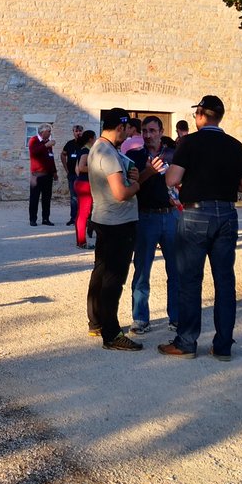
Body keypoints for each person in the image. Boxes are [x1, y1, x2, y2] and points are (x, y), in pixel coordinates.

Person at [159, 95, 242, 362]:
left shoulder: (189, 142)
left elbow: (172, 178)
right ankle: (223, 345)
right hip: (226, 213)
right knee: (225, 281)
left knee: (190, 280)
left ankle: (187, 342)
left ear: (201, 114)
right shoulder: (236, 145)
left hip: (196, 213)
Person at [86, 108, 144, 351]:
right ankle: (112, 334)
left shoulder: (98, 147)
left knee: (100, 272)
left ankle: (96, 321)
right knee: (114, 279)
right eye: (126, 130)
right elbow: (121, 193)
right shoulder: (108, 152)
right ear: (120, 127)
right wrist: (138, 183)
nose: (127, 135)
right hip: (118, 222)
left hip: (104, 217)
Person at [127, 116, 179, 334]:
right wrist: (148, 171)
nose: (148, 135)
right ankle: (140, 318)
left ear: (161, 131)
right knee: (142, 269)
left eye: (152, 130)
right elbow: (131, 185)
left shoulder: (174, 155)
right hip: (146, 217)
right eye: (145, 131)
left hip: (171, 216)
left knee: (176, 269)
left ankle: (176, 317)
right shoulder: (133, 157)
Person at [28, 123, 57, 227]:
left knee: (46, 198)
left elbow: (51, 158)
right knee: (34, 198)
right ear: (42, 132)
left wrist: (54, 172)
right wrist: (45, 145)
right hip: (37, 176)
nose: (50, 133)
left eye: (50, 131)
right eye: (48, 131)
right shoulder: (34, 140)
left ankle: (46, 218)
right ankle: (33, 219)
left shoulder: (47, 143)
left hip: (47, 175)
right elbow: (34, 152)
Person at [74, 131, 96, 249]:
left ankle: (81, 240)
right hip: (84, 184)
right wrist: (97, 168)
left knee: (82, 213)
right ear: (91, 139)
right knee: (83, 214)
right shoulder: (86, 151)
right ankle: (81, 242)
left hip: (82, 182)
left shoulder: (83, 150)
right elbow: (82, 167)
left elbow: (77, 168)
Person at [60, 124, 84, 226]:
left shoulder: (85, 144)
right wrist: (66, 169)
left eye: (80, 131)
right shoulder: (69, 144)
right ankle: (73, 218)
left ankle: (83, 218)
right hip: (72, 175)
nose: (78, 133)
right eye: (76, 131)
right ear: (73, 132)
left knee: (83, 197)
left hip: (83, 175)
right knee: (73, 197)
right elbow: (63, 154)